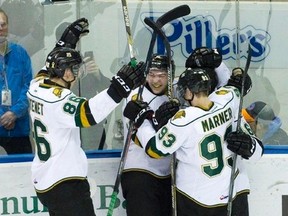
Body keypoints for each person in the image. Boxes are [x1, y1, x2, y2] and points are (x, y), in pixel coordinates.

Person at [124, 67, 264, 216]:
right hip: (226, 194)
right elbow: (237, 86)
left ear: (189, 92)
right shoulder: (227, 99)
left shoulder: (183, 120)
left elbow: (154, 149)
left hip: (194, 198)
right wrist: (238, 73)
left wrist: (143, 121)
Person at [27, 46, 145, 216]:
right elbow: (89, 113)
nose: (78, 74)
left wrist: (64, 44)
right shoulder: (58, 100)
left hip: (46, 182)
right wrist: (118, 89)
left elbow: (44, 71)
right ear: (66, 73)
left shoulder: (36, 88)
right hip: (65, 184)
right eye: (75, 69)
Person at [120, 54, 179, 216]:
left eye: (162, 75)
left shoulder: (175, 94)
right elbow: (146, 143)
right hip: (140, 173)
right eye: (151, 75)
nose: (156, 80)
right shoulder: (136, 97)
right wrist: (158, 121)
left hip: (168, 175)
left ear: (171, 75)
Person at [0, 8, 33, 154]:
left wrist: (14, 113)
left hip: (19, 128)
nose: (1, 28)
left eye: (3, 24)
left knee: (24, 173)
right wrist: (3, 118)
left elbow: (29, 87)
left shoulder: (20, 53)